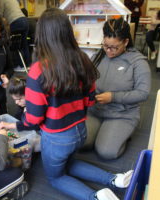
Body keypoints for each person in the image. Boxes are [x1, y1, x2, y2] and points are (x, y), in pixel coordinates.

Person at [20, 8, 133, 200]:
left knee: (55, 177)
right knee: (69, 163)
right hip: (80, 130)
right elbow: (89, 100)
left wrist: (22, 116)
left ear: (42, 34)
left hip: (56, 138)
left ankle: (95, 197)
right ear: (67, 31)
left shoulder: (38, 70)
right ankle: (114, 179)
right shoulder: (82, 59)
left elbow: (34, 119)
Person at [83, 18, 151, 160]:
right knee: (79, 142)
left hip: (122, 114)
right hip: (95, 111)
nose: (109, 51)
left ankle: (121, 134)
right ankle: (102, 132)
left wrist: (113, 97)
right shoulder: (98, 56)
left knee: (106, 152)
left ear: (126, 42)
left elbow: (143, 93)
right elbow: (86, 79)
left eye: (114, 47)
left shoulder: (138, 62)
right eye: (106, 45)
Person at [0, 75, 41, 152]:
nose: (16, 102)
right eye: (14, 99)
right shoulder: (23, 104)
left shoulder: (35, 106)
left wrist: (10, 125)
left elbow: (33, 125)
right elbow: (17, 116)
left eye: (19, 99)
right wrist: (8, 126)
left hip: (41, 136)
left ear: (29, 94)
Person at [0, 0, 31, 67]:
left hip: (16, 22)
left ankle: (16, 65)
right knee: (24, 44)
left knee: (8, 42)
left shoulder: (2, 1)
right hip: (25, 20)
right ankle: (27, 64)